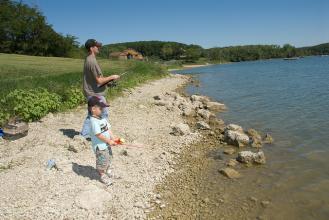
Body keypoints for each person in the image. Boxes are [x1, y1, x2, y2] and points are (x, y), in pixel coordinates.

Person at [81, 39, 120, 139]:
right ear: (91, 48)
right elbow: (99, 80)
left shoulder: (89, 58)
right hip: (94, 93)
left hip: (92, 91)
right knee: (102, 113)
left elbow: (96, 80)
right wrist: (112, 77)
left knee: (93, 113)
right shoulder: (92, 61)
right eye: (96, 46)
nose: (99, 48)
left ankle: (85, 135)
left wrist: (107, 82)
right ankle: (94, 135)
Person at [88, 96, 117, 186]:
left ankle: (108, 171)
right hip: (100, 147)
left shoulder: (102, 118)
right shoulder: (94, 121)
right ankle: (102, 175)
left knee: (109, 158)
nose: (103, 110)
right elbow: (98, 134)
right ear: (93, 109)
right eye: (101, 108)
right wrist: (108, 141)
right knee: (102, 161)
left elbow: (108, 129)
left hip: (106, 145)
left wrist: (114, 138)